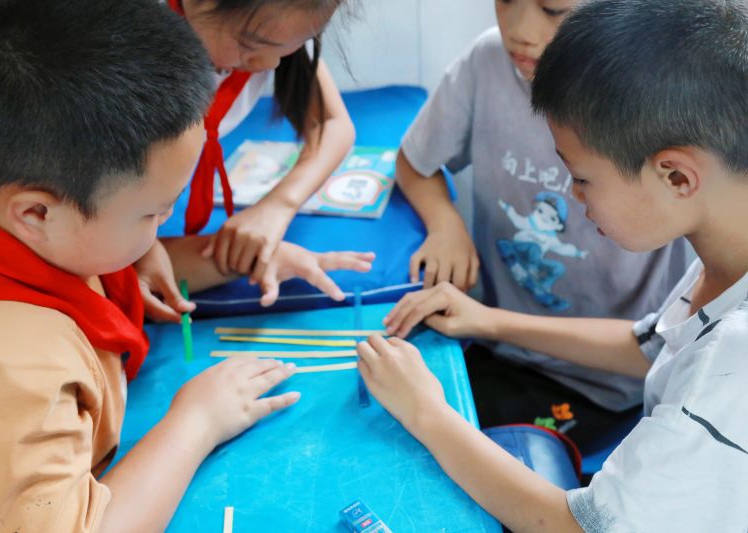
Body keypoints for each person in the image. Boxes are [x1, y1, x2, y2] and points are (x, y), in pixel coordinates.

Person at [0, 0, 371, 530]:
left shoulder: (9, 215)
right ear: (35, 211)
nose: (163, 228)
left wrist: (239, 260)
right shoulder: (12, 373)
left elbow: (102, 261)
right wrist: (196, 422)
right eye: (152, 214)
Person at [360, 0, 748, 530]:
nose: (572, 194)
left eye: (582, 178)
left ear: (677, 177)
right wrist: (488, 320)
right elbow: (650, 348)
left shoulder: (731, 361)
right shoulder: (723, 251)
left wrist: (425, 411)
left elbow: (575, 526)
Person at [392, 0, 689, 446]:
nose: (520, 30)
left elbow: (652, 347)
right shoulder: (489, 62)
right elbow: (415, 161)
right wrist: (445, 223)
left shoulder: (664, 99)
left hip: (604, 382)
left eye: (552, 9)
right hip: (496, 345)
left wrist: (488, 322)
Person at [137, 0, 359, 322]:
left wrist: (278, 206)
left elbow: (332, 125)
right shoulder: (124, 59)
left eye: (290, 47)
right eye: (251, 44)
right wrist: (144, 248)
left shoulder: (277, 23)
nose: (270, 63)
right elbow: (116, 252)